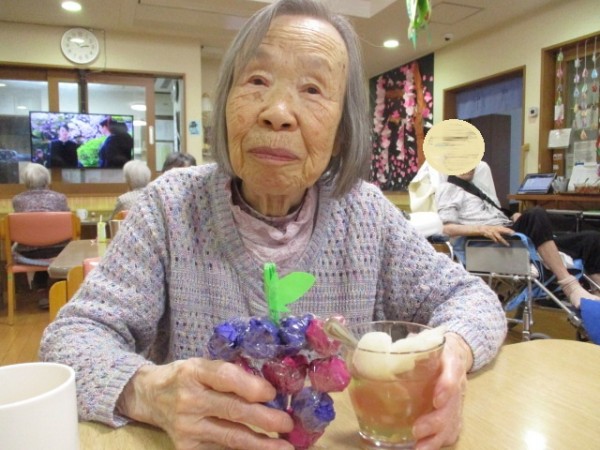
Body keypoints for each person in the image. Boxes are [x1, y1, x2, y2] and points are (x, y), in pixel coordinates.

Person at [40, 1, 507, 449]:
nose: (277, 112)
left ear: (341, 131)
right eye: (257, 80)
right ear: (226, 106)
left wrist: (452, 356)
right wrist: (147, 390)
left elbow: (471, 299)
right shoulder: (169, 207)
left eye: (313, 89)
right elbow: (71, 338)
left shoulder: (366, 214)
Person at [435, 168, 600, 308]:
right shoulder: (448, 188)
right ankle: (569, 286)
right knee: (536, 213)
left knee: (590, 238)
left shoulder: (477, 188)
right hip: (493, 241)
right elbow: (447, 228)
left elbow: (494, 215)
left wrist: (512, 216)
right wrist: (483, 229)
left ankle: (596, 294)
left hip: (512, 232)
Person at [12, 163, 70, 307]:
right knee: (53, 246)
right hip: (58, 252)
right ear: (47, 179)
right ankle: (57, 290)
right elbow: (69, 220)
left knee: (36, 246)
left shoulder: (17, 200)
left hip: (29, 254)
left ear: (26, 180)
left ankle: (41, 290)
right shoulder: (60, 198)